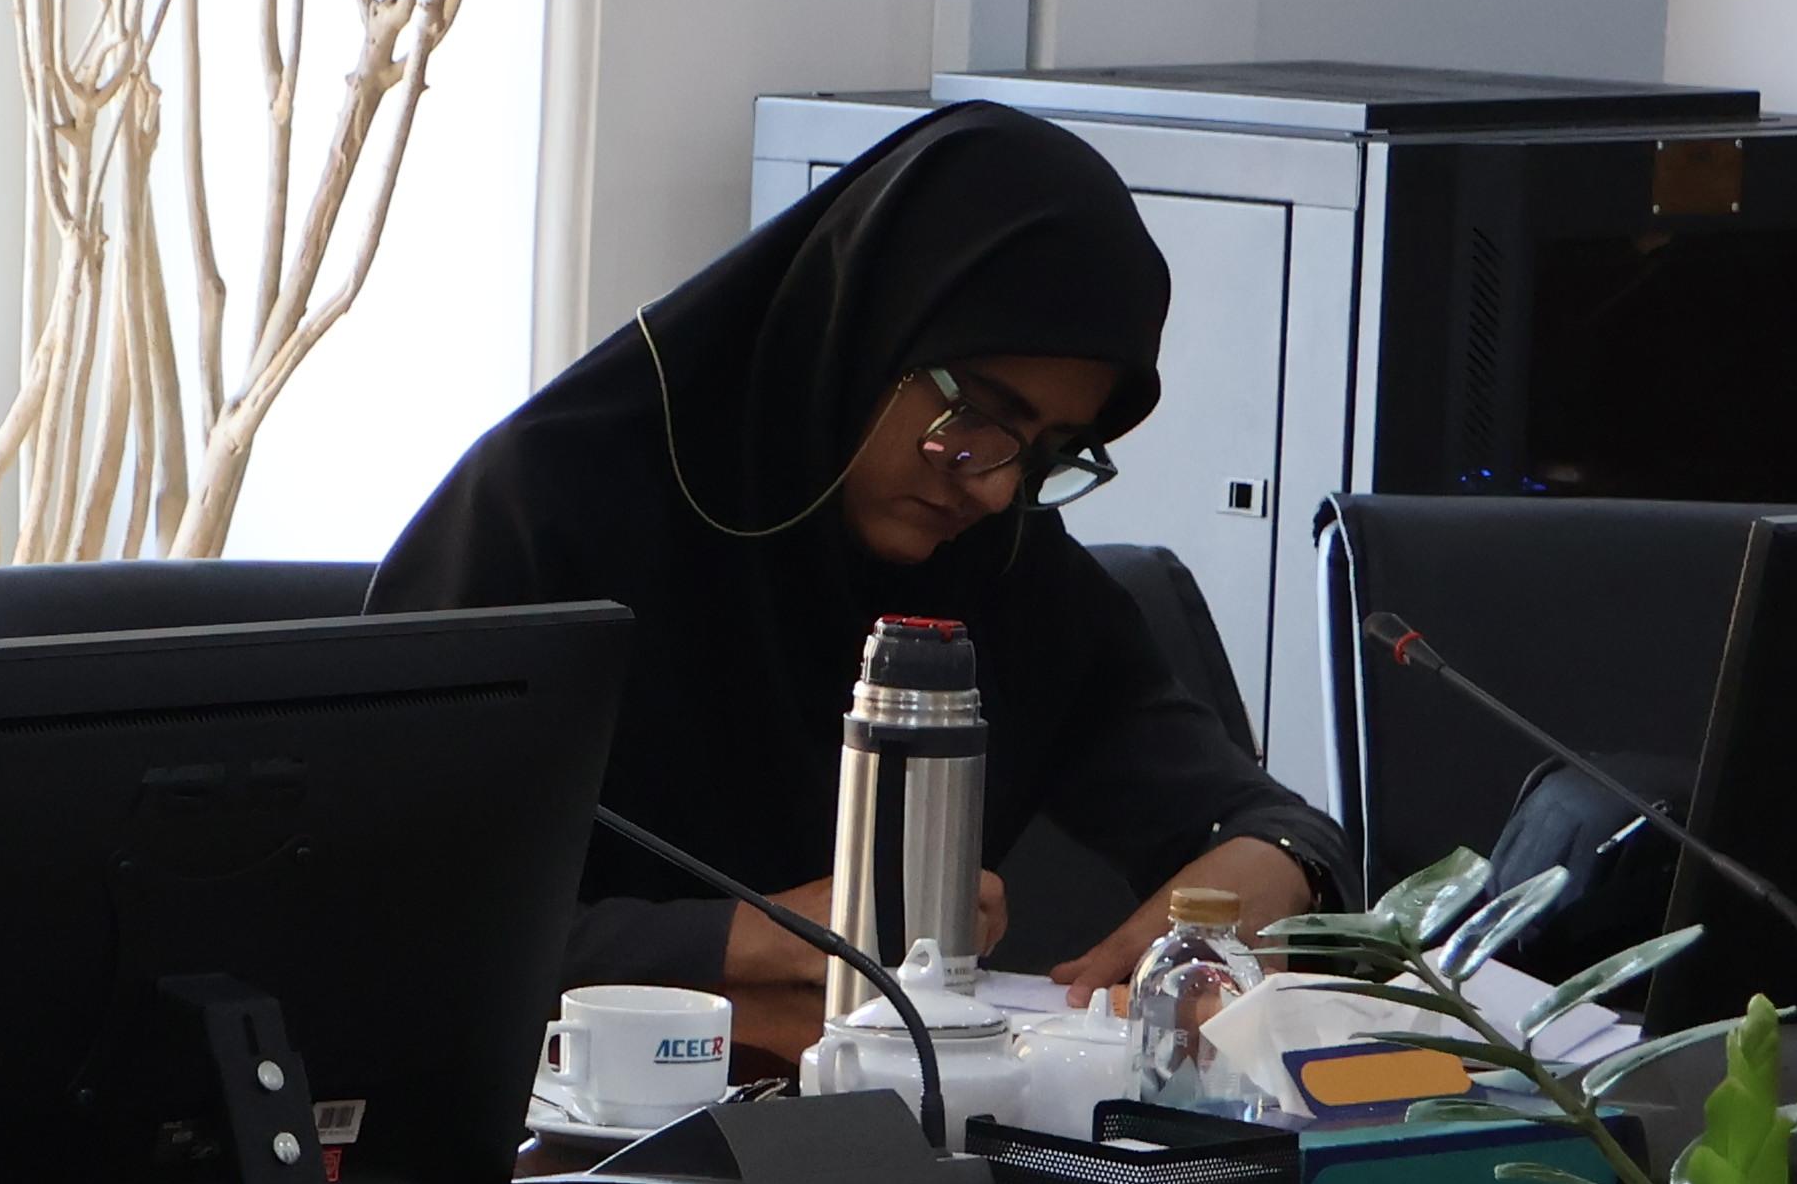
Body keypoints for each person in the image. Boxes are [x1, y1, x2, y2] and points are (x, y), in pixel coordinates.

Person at [368, 100, 1341, 1055]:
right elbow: (389, 911)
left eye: (1049, 450)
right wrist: (764, 935)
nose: (996, 487)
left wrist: (1272, 863)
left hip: (885, 1123)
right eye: (976, 417)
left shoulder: (1003, 564)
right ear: (871, 325)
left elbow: (1267, 815)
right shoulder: (551, 507)